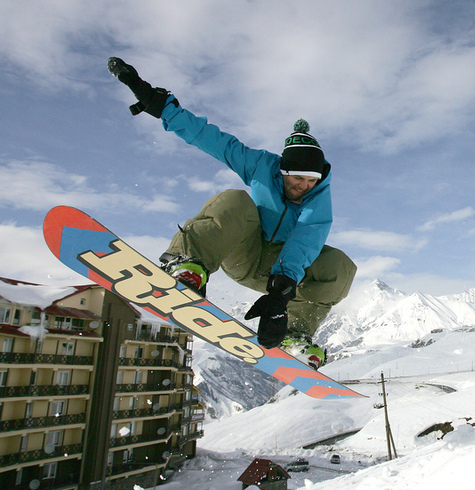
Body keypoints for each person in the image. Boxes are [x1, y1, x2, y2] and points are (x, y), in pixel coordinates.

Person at [107, 57, 356, 369]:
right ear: (282, 170)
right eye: (297, 178)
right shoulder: (260, 165)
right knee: (236, 200)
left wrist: (280, 295)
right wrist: (164, 108)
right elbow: (216, 141)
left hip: (281, 272)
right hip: (243, 254)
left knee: (340, 268)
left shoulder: (318, 196)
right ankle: (187, 264)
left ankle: (294, 334)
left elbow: (306, 239)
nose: (303, 186)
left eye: (311, 181)